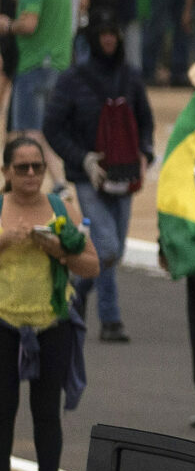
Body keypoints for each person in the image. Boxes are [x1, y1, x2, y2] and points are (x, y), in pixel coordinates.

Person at [0, 134, 94, 471]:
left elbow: (92, 265)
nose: (30, 174)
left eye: (37, 167)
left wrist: (59, 250)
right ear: (6, 171)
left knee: (46, 411)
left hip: (51, 322)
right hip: (4, 322)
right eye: (21, 167)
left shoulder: (61, 209)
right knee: (3, 410)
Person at [43, 20, 151, 342]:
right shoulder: (73, 80)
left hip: (125, 174)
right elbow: (52, 127)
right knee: (105, 247)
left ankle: (78, 290)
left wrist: (144, 154)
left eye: (112, 33)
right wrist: (82, 159)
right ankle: (111, 321)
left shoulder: (130, 76)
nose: (108, 39)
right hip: (89, 178)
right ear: (93, 39)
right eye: (102, 34)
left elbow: (145, 120)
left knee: (113, 252)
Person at [12, 0, 76, 132]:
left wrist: (7, 25)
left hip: (35, 65)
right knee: (49, 136)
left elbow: (29, 25)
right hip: (59, 64)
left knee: (29, 135)